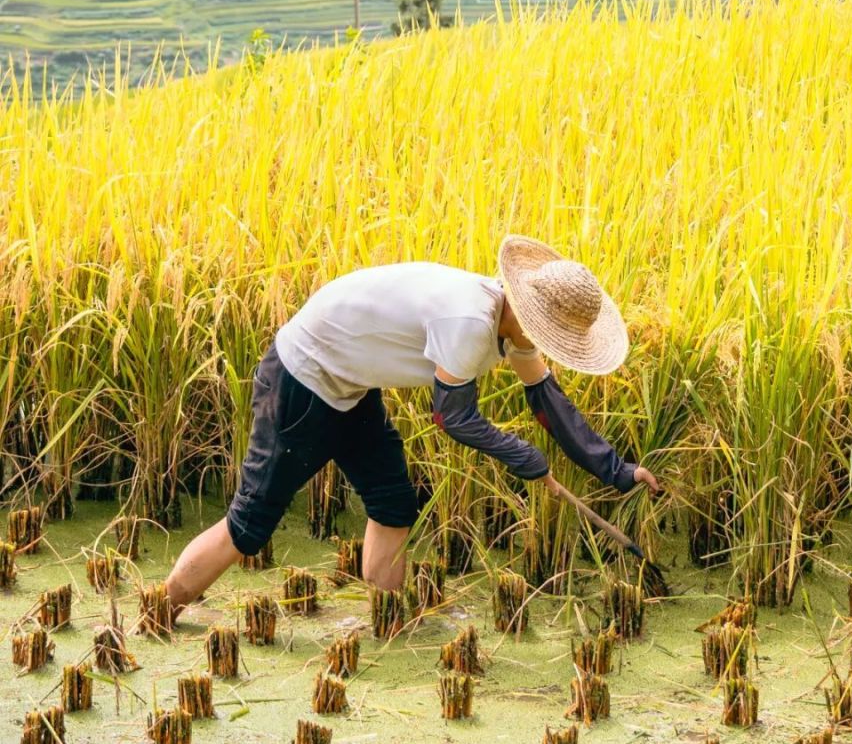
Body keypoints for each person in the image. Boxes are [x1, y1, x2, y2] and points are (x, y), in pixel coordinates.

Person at [165, 235, 659, 614]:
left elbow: (548, 404)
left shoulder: (510, 326)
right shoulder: (469, 323)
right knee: (249, 524)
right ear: (528, 312)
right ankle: (161, 613)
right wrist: (523, 457)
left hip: (348, 385)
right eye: (549, 334)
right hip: (301, 377)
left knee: (393, 503)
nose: (545, 345)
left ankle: (385, 621)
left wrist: (616, 470)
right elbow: (451, 417)